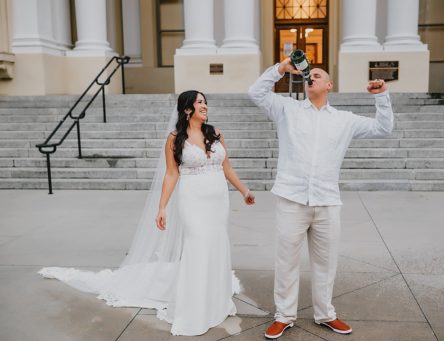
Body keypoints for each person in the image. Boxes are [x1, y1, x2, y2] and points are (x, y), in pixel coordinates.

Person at [40, 90, 256, 336]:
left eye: (206, 102)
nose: (205, 105)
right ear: (187, 109)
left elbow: (227, 168)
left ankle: (215, 301)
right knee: (197, 246)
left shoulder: (215, 133)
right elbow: (171, 174)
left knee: (216, 245)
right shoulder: (174, 139)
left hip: (218, 202)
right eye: (199, 102)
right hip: (193, 201)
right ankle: (194, 308)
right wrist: (162, 207)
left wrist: (244, 191)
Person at [248, 59, 393, 339]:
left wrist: (382, 97)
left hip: (327, 201)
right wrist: (281, 68)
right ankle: (284, 315)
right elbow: (255, 92)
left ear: (329, 85)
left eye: (317, 75)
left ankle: (325, 313)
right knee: (286, 262)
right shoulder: (287, 109)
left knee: (326, 264)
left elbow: (383, 128)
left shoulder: (344, 119)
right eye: (309, 74)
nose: (311, 77)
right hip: (291, 199)